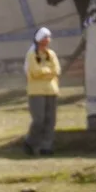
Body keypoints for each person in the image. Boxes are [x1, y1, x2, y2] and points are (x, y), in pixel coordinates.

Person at [23, 27, 60, 156]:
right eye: (44, 38)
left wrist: (44, 71)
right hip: (36, 91)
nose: (47, 41)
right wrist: (47, 72)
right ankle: (30, 141)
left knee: (50, 120)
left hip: (51, 90)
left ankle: (46, 146)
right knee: (39, 119)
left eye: (48, 39)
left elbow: (56, 70)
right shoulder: (32, 55)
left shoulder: (51, 54)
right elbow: (35, 72)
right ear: (39, 40)